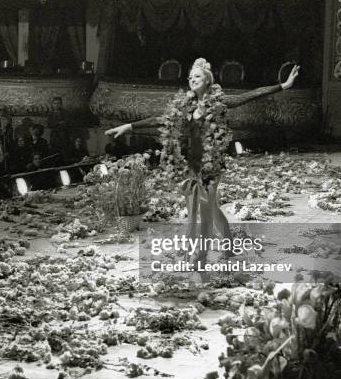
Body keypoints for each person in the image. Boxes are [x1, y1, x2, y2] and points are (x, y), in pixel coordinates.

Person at [105, 58, 300, 269]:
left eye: (196, 76)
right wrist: (130, 126)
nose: (192, 79)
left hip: (212, 165)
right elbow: (161, 119)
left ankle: (200, 256)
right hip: (191, 164)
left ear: (207, 79)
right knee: (203, 211)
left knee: (205, 212)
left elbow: (250, 95)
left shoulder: (219, 102)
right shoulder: (185, 106)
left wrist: (283, 86)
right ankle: (229, 245)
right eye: (189, 77)